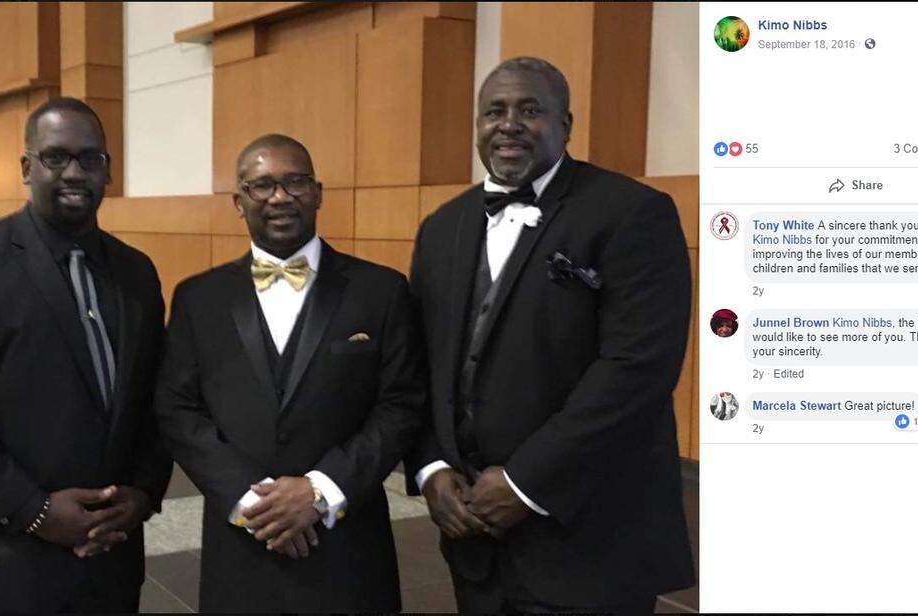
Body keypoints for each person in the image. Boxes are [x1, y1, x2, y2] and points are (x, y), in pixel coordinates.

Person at [405, 56, 695, 613]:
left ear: (567, 124)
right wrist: (432, 467)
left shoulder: (633, 212)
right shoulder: (442, 227)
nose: (509, 123)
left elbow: (637, 370)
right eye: (495, 111)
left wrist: (523, 483)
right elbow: (420, 364)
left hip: (590, 535)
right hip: (473, 537)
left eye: (531, 110)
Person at [0, 97, 173, 613]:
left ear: (107, 170)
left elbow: (155, 398)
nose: (74, 172)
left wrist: (141, 494)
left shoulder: (137, 272)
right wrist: (37, 511)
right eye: (56, 157)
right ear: (27, 167)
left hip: (105, 564)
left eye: (90, 159)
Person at [154, 134, 425, 612]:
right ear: (238, 202)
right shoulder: (198, 298)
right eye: (262, 186)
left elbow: (401, 403)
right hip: (241, 541)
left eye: (295, 182)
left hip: (347, 541)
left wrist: (322, 491)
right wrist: (248, 500)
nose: (280, 197)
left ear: (318, 192)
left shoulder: (380, 291)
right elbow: (177, 408)